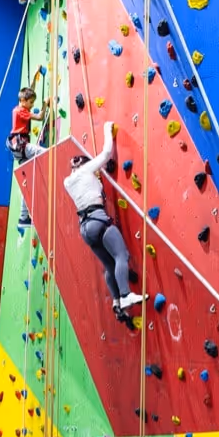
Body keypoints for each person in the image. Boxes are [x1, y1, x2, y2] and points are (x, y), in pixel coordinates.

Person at [63, 121, 144, 321]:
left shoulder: (68, 182)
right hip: (99, 219)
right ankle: (125, 295)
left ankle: (116, 302)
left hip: (85, 228)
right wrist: (107, 130)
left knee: (109, 266)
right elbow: (107, 153)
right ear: (82, 164)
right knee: (121, 256)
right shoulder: (85, 170)